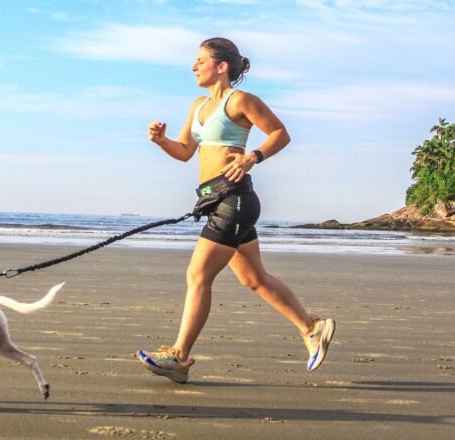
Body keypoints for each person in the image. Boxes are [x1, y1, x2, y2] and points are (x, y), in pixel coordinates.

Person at [136, 37, 335, 384]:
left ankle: (180, 357)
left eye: (200, 60)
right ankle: (312, 327)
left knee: (198, 276)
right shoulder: (198, 105)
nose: (193, 66)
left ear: (221, 66)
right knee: (253, 278)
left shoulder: (240, 100)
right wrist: (160, 141)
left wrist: (251, 157)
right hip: (215, 199)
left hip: (235, 199)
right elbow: (184, 151)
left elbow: (280, 134)